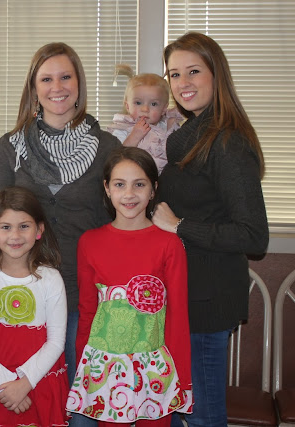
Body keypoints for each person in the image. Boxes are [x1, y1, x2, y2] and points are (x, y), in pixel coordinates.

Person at [0, 42, 121, 427]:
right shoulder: (9, 147)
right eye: (46, 79)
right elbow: (3, 225)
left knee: (83, 408)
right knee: (34, 406)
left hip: (87, 295)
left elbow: (118, 224)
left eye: (66, 77)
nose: (57, 87)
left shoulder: (107, 147)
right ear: (34, 89)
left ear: (79, 84)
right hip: (25, 296)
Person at [152, 32, 269, 427]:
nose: (182, 83)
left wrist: (179, 226)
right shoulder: (192, 134)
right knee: (179, 410)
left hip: (207, 301)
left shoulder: (227, 142)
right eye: (174, 74)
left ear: (216, 74)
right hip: (184, 294)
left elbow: (253, 235)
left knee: (203, 416)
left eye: (193, 72)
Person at [67, 147, 192, 426]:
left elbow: (177, 316)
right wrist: (84, 370)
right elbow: (87, 311)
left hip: (156, 369)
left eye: (139, 184)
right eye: (119, 184)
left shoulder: (169, 244)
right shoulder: (89, 242)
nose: (129, 194)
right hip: (105, 368)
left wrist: (181, 377)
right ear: (107, 188)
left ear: (153, 189)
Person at [0, 186, 70, 427]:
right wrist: (6, 386)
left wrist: (24, 384)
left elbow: (56, 342)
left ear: (39, 230)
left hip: (38, 385)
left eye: (24, 226)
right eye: (6, 227)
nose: (15, 235)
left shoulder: (51, 279)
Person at [107, 71, 183, 173]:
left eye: (154, 104)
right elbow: (116, 159)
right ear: (127, 106)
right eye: (138, 103)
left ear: (164, 109)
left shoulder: (166, 128)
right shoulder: (123, 129)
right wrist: (134, 136)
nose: (145, 109)